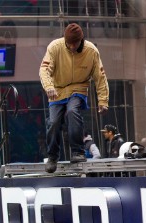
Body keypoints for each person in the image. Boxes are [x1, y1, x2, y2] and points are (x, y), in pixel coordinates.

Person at [39, 22, 110, 173]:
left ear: (81, 40)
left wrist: (103, 101)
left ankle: (77, 151)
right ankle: (52, 156)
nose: (71, 47)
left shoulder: (91, 51)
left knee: (72, 112)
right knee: (53, 122)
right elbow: (44, 70)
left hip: (78, 87)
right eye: (68, 44)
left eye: (74, 43)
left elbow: (100, 77)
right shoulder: (55, 47)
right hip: (57, 89)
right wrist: (49, 87)